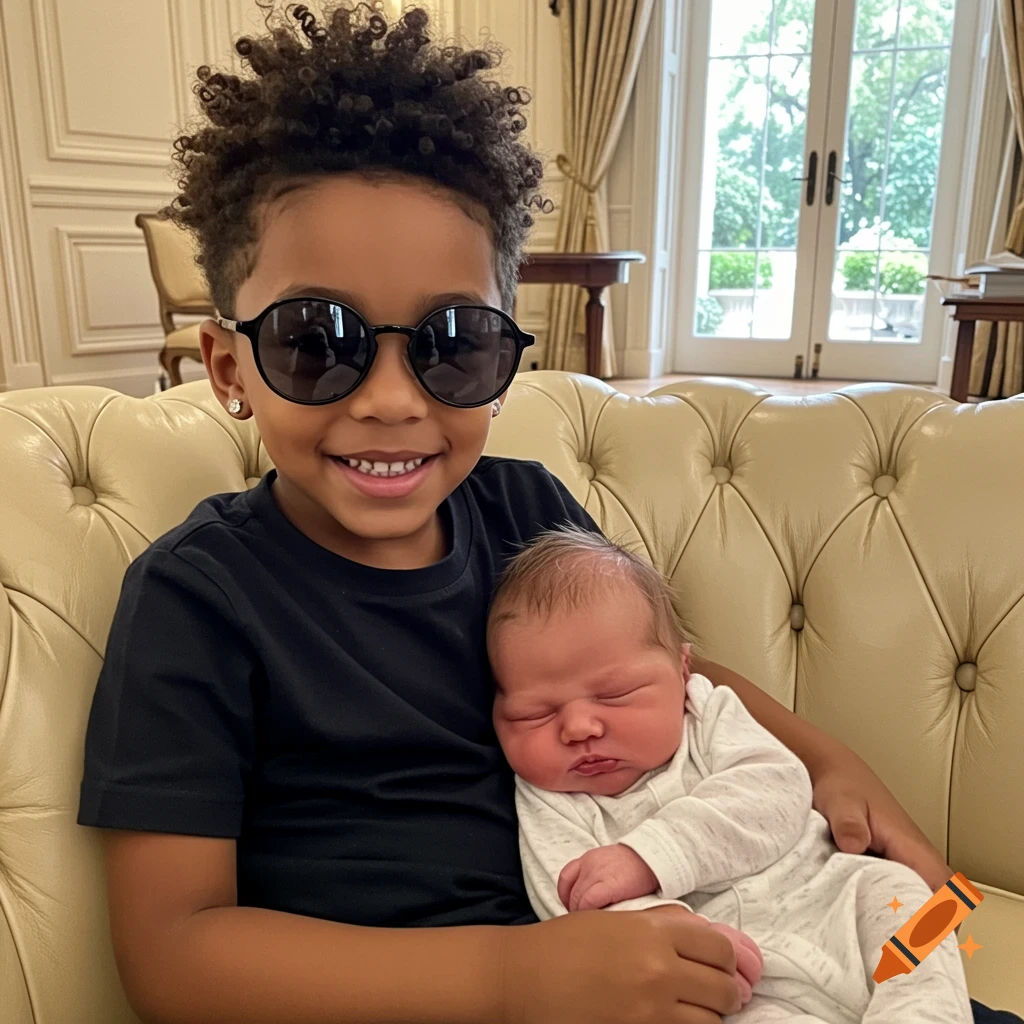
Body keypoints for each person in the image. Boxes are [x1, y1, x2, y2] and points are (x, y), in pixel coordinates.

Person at [76, 4, 983, 1024]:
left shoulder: (526, 512)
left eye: (452, 342)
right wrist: (515, 980)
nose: (390, 397)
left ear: (505, 367)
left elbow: (660, 668)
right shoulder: (197, 596)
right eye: (314, 340)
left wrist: (829, 760)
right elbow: (173, 952)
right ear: (228, 365)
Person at [488, 527, 974, 1023]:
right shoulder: (547, 794)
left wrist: (650, 855)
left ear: (682, 672)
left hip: (831, 896)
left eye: (614, 695)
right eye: (535, 715)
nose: (578, 727)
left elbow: (776, 790)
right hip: (736, 971)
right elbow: (570, 906)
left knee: (910, 901)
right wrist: (674, 937)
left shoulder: (708, 711)